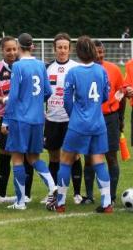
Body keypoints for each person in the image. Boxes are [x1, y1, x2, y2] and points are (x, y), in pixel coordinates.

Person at [54, 36, 112, 213]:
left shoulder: (73, 72)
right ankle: (107, 203)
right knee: (98, 160)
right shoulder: (101, 71)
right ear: (94, 52)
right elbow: (105, 96)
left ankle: (60, 203)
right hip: (98, 123)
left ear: (78, 53)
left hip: (79, 124)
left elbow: (66, 100)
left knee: (66, 160)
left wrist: (75, 117)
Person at [1, 33, 56, 210]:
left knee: (17, 157)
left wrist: (6, 120)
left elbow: (14, 95)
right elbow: (47, 91)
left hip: (20, 119)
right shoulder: (41, 65)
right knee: (33, 157)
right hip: (37, 119)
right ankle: (52, 186)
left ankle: (20, 201)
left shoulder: (17, 66)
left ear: (18, 46)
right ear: (32, 46)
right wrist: (35, 102)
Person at [81, 40, 124, 205]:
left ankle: (111, 197)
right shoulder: (82, 70)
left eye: (102, 52)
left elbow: (120, 93)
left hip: (110, 118)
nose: (100, 55)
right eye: (96, 52)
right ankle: (90, 196)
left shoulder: (113, 69)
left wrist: (120, 118)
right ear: (90, 53)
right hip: (89, 118)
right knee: (89, 157)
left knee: (111, 156)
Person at [43, 33, 82, 204]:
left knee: (74, 156)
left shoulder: (76, 68)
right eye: (59, 47)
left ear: (70, 49)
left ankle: (77, 194)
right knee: (54, 157)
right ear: (54, 48)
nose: (62, 50)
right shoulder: (47, 68)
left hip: (70, 119)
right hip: (52, 119)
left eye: (65, 47)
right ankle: (54, 191)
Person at [0, 36, 18, 204]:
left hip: (23, 118)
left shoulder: (23, 66)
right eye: (8, 49)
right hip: (6, 118)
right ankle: (1, 193)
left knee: (25, 155)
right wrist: (6, 100)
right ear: (2, 50)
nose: (12, 52)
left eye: (14, 49)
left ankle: (25, 193)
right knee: (5, 155)